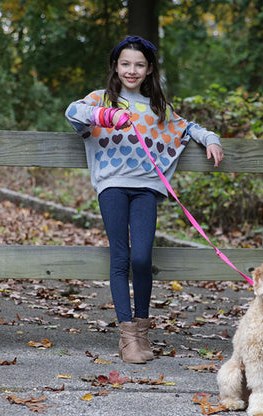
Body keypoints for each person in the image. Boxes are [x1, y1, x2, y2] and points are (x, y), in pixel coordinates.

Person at [65, 36, 224, 364]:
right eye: (125, 64)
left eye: (139, 64)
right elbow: (73, 112)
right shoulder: (101, 99)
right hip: (112, 185)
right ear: (116, 66)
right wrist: (107, 117)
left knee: (141, 258)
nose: (131, 70)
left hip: (147, 188)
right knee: (120, 257)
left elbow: (187, 127)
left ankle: (142, 330)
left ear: (149, 68)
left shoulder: (158, 108)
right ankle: (127, 338)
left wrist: (211, 140)